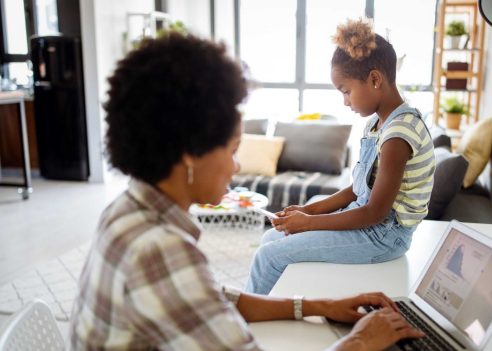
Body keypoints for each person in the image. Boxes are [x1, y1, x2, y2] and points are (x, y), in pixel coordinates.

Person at [68, 33, 423, 350]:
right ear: (192, 152)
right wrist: (361, 342)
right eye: (233, 148)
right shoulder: (159, 253)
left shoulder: (128, 213)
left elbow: (209, 299)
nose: (237, 167)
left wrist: (319, 306)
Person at [245, 19, 435, 295]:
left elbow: (374, 213)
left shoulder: (399, 134)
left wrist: (309, 223)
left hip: (384, 236)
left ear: (374, 79)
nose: (345, 101)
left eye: (346, 91)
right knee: (271, 237)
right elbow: (357, 190)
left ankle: (249, 324)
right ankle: (277, 306)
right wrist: (308, 210)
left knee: (268, 257)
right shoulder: (377, 124)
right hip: (369, 226)